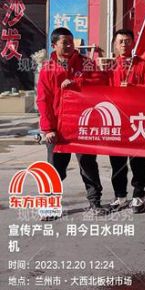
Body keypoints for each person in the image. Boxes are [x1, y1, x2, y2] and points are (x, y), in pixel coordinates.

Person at [37, 27, 107, 218]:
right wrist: (48, 129)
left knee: (88, 165)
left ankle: (95, 203)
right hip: (58, 129)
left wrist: (78, 84)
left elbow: (101, 86)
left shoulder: (86, 63)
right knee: (55, 169)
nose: (69, 45)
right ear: (54, 45)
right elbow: (43, 100)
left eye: (71, 41)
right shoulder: (48, 69)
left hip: (82, 126)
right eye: (64, 42)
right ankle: (50, 206)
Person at [107, 29, 145, 214]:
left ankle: (138, 194)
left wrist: (133, 88)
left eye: (127, 41)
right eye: (120, 41)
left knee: (137, 161)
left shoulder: (144, 65)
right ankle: (120, 196)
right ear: (114, 44)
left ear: (133, 44)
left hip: (137, 120)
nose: (123, 45)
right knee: (117, 162)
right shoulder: (110, 66)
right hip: (115, 120)